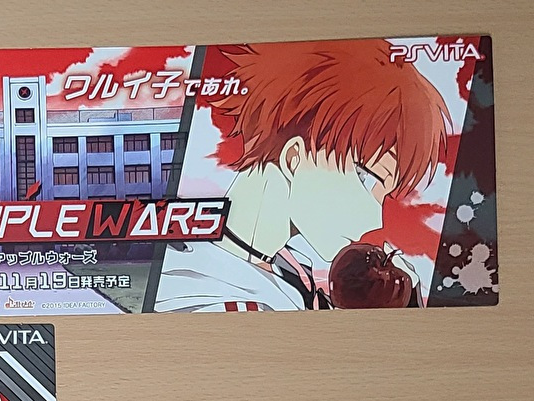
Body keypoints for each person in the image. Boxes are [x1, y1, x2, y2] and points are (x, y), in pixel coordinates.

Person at [155, 40, 450, 311]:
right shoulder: (212, 300)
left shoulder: (291, 269)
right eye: (367, 178)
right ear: (294, 157)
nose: (376, 220)